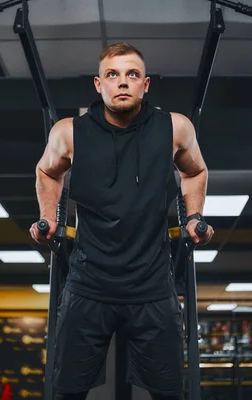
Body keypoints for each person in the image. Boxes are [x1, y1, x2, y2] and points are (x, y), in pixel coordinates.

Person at [29, 42, 214, 400]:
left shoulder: (175, 127)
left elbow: (195, 171)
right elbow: (47, 172)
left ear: (146, 85)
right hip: (88, 282)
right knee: (67, 389)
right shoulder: (69, 132)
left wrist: (194, 217)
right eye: (112, 75)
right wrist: (47, 218)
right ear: (99, 85)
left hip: (152, 283)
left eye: (132, 74)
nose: (123, 82)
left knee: (169, 391)